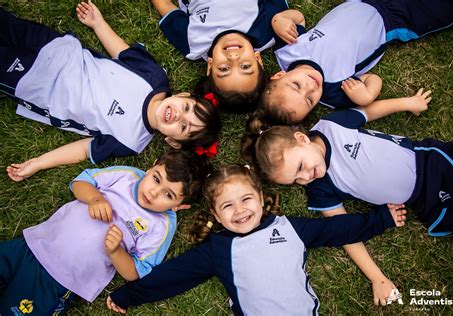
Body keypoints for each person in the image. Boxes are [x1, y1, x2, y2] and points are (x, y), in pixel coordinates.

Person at [105, 164, 406, 314]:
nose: (239, 211)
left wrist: (381, 219)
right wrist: (128, 296)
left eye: (246, 199)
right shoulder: (218, 249)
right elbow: (174, 276)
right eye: (227, 206)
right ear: (215, 214)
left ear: (261, 198)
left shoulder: (290, 228)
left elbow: (335, 230)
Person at [0, 1, 221, 182]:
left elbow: (85, 149)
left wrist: (39, 163)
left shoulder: (131, 141)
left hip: (37, 85)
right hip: (56, 48)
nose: (178, 116)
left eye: (183, 126)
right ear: (182, 95)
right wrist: (98, 24)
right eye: (186, 108)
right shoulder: (155, 78)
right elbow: (122, 53)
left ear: (173, 142)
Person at [0, 150, 212, 314]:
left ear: (179, 206)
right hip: (31, 245)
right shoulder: (126, 176)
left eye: (168, 194)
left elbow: (136, 272)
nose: (153, 192)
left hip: (58, 280)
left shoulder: (162, 226)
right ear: (152, 167)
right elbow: (80, 182)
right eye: (156, 179)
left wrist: (115, 251)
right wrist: (95, 198)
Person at [241, 99, 453, 243]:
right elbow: (343, 230)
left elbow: (368, 112)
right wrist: (376, 277)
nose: (305, 177)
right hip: (423, 201)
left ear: (302, 139)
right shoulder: (321, 188)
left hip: (430, 163)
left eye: (300, 167)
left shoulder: (331, 126)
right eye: (296, 180)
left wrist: (407, 103)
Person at [256, 0, 453, 124]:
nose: (311, 87)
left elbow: (299, 18)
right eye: (310, 100)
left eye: (296, 86)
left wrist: (281, 20)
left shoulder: (286, 51)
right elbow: (372, 78)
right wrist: (367, 95)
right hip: (396, 21)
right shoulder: (334, 92)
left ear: (279, 75)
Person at [152, 0, 304, 112]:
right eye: (245, 66)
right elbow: (295, 15)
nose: (233, 57)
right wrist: (281, 19)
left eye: (224, 69)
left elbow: (165, 5)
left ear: (210, 66)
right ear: (258, 59)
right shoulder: (267, 31)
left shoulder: (193, 43)